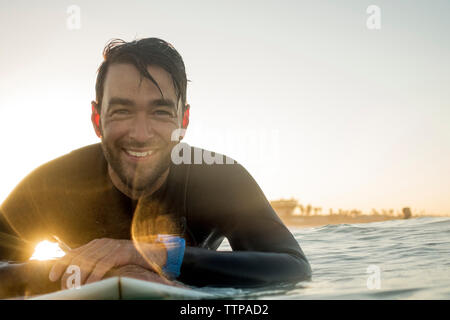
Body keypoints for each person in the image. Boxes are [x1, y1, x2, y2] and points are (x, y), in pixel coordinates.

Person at [0, 38, 311, 298]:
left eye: (160, 112)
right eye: (122, 111)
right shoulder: (49, 185)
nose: (140, 133)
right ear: (97, 120)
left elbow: (293, 267)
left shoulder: (220, 179)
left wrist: (158, 256)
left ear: (183, 121)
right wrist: (79, 276)